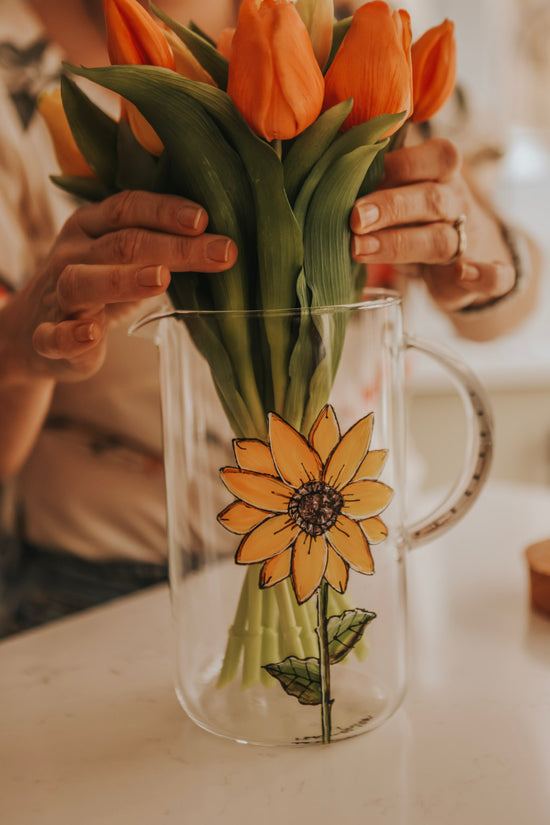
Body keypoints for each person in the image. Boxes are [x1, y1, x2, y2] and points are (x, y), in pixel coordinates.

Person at [0, 0, 540, 636]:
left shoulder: (352, 21)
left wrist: (476, 255)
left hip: (366, 545)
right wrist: (21, 344)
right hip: (110, 584)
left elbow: (503, 300)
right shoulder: (15, 64)